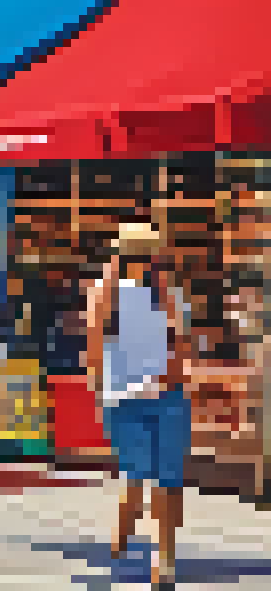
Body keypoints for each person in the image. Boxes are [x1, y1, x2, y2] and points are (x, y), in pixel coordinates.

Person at [91, 221, 193, 591]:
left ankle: (159, 559)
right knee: (143, 479)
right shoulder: (110, 293)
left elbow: (181, 345)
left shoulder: (164, 294)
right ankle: (129, 547)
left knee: (159, 480)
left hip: (156, 397)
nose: (143, 261)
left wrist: (170, 381)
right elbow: (95, 348)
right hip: (135, 398)